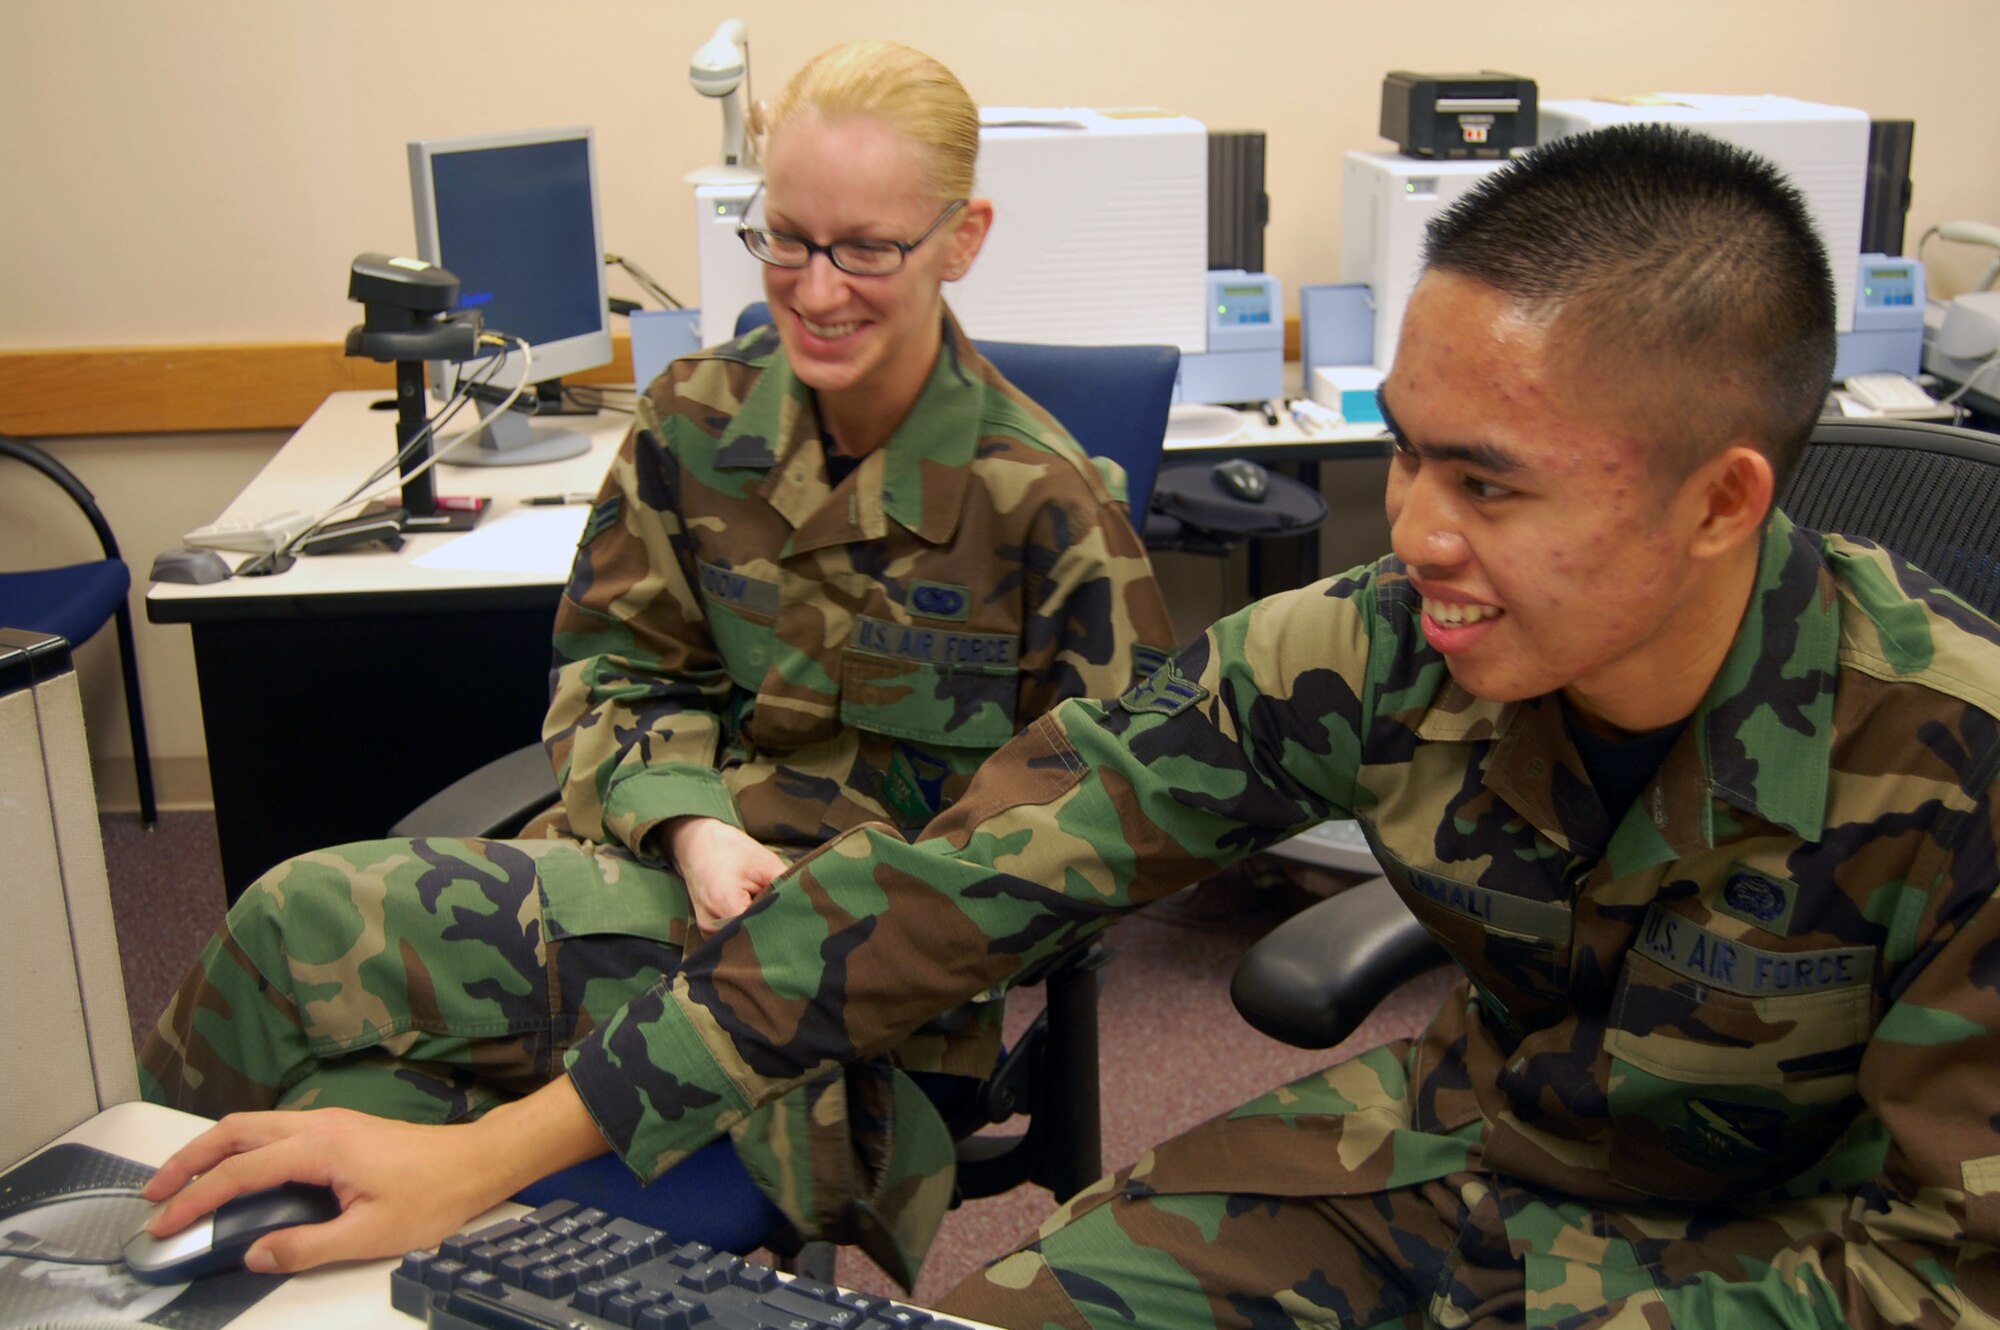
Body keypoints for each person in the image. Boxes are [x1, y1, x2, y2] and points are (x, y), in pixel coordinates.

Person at [140, 122, 2000, 1325]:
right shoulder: (1368, 649)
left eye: (1492, 486)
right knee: (1016, 1313)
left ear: (1721, 500)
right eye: (1407, 454)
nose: (1419, 537)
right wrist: (501, 1150)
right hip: (1484, 1157)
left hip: (1791, 1257)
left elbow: (1957, 1265)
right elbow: (948, 893)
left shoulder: (1956, 762)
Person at [137, 38, 1173, 1287]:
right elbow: (613, 676)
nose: (815, 286)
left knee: (292, 922)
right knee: (330, 1116)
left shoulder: (1048, 509)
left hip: (854, 1014)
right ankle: (145, 1260)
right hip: (643, 897)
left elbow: (1098, 856)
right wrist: (688, 827)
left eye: (865, 248)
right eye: (783, 238)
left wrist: (828, 901)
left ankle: (100, 1251)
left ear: (961, 238)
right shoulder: (693, 422)